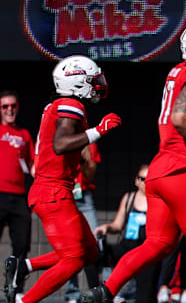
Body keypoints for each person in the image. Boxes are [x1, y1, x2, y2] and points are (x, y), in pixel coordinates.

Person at [81, 20, 186, 303]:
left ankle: (105, 291)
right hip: (183, 168)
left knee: (158, 244)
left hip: (160, 168)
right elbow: (181, 117)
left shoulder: (178, 70)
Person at [3, 55, 120, 303]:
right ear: (77, 82)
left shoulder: (61, 104)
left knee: (88, 252)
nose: (97, 83)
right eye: (91, 79)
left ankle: (23, 267)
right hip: (53, 191)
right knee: (73, 259)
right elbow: (60, 144)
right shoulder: (71, 105)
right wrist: (98, 131)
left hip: (52, 188)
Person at [94, 165, 163, 303]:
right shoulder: (129, 198)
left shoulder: (159, 201)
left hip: (147, 251)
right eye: (142, 179)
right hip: (127, 246)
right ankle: (99, 293)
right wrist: (106, 227)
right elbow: (117, 225)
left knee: (145, 296)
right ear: (136, 181)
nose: (146, 183)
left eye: (150, 179)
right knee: (93, 254)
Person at [0, 91, 33, 276]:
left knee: (22, 243)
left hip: (19, 196)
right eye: (5, 106)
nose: (9, 110)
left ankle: (16, 288)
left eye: (13, 106)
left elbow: (32, 164)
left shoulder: (24, 134)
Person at [64, 144, 102, 303]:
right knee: (67, 247)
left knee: (96, 242)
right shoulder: (62, 138)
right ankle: (72, 294)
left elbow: (91, 174)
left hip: (84, 197)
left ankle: (98, 290)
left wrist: (83, 159)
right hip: (65, 194)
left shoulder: (90, 143)